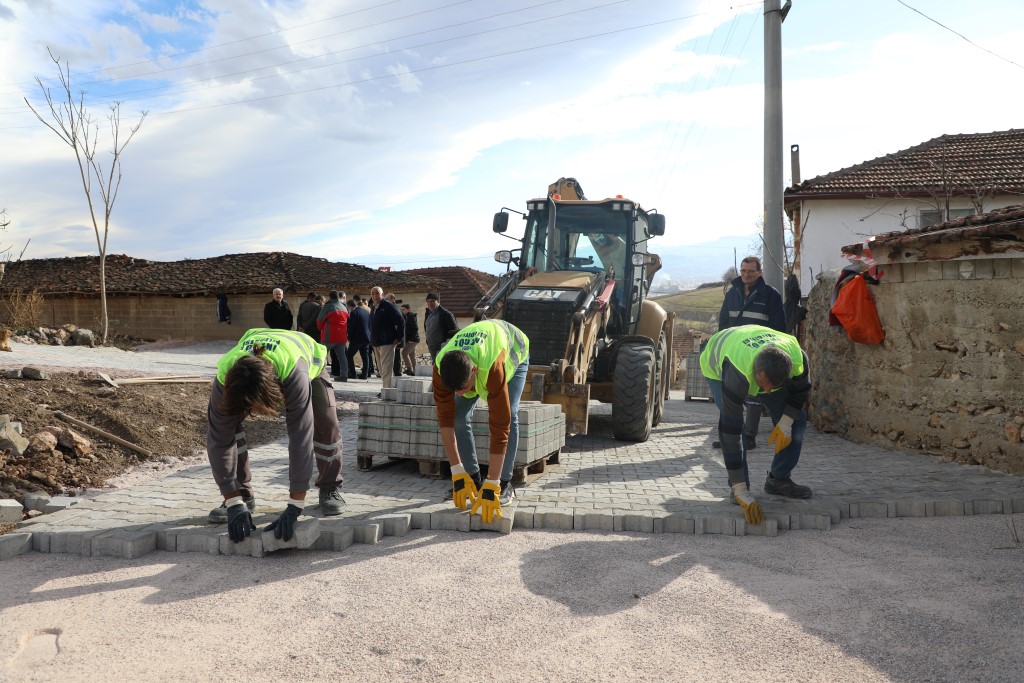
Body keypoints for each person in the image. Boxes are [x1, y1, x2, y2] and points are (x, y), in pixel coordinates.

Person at [206, 327, 346, 543]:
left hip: (307, 362)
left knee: (325, 422)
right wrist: (232, 500)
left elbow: (300, 439)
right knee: (229, 423)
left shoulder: (294, 374)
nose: (253, 413)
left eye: (255, 407)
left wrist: (295, 505)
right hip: (261, 356)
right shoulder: (225, 378)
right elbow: (218, 441)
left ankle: (330, 487)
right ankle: (242, 494)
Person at [699, 324, 812, 525]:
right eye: (762, 384)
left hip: (755, 344)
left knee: (797, 419)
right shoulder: (738, 372)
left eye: (772, 386)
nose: (766, 392)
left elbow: (800, 391)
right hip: (719, 362)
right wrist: (740, 488)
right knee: (737, 428)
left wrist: (786, 422)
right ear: (756, 371)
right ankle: (739, 489)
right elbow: (730, 431)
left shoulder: (798, 359)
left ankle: (778, 479)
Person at [433, 319, 530, 523]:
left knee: (510, 415)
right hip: (479, 352)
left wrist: (492, 483)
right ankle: (472, 478)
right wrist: (456, 471)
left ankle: (504, 484)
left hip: (514, 351)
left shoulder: (492, 368)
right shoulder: (440, 367)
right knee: (458, 416)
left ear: (474, 371)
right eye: (454, 390)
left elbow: (500, 427)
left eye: (463, 388)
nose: (459, 394)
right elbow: (445, 419)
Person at [715, 256, 787, 450]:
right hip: (734, 352)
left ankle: (748, 437)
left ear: (760, 272)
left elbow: (779, 328)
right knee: (730, 395)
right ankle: (729, 436)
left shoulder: (771, 295)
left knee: (753, 395)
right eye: (743, 271)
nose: (746, 275)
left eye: (751, 271)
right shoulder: (732, 294)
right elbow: (723, 323)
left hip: (759, 352)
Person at [370, 286, 404, 390]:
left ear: (382, 294)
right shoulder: (374, 307)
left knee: (386, 369)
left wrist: (399, 337)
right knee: (381, 370)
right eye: (373, 293)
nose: (375, 296)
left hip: (387, 342)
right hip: (376, 342)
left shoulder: (388, 306)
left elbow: (401, 321)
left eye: (377, 293)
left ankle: (387, 391)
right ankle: (386, 389)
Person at [317, 290, 348, 381]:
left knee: (322, 356)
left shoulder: (328, 307)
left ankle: (320, 374)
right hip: (341, 336)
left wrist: (321, 328)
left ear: (330, 297)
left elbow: (319, 321)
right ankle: (344, 375)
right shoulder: (344, 307)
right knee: (342, 357)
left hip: (328, 336)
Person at [423, 292, 458, 360]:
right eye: (428, 302)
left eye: (432, 301)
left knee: (441, 363)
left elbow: (454, 331)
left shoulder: (446, 314)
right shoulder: (428, 313)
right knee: (434, 364)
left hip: (442, 346)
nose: (430, 303)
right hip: (431, 346)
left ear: (438, 301)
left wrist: (446, 344)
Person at [345, 296, 372, 379]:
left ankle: (352, 373)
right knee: (365, 356)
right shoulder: (366, 312)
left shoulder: (353, 313)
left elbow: (352, 327)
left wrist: (349, 337)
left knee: (348, 355)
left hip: (357, 338)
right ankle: (365, 374)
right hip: (366, 337)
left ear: (349, 306)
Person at [400, 303, 420, 376]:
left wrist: (411, 338)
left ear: (408, 309)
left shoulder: (411, 316)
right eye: (401, 309)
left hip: (413, 340)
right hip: (409, 339)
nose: (402, 311)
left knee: (404, 353)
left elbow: (415, 328)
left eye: (403, 309)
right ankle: (415, 371)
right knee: (412, 355)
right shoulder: (405, 316)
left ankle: (409, 369)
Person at [386, 294, 403, 378]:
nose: (386, 300)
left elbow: (400, 322)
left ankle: (397, 372)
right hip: (395, 336)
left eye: (387, 299)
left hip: (395, 336)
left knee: (395, 355)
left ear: (392, 299)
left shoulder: (393, 308)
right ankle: (397, 371)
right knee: (396, 355)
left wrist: (399, 337)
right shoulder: (394, 307)